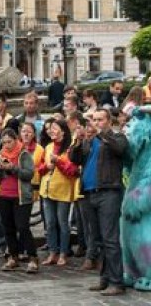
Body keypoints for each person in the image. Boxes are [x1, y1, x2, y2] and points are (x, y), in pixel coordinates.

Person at [69, 108, 128, 296]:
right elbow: (74, 159)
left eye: (100, 120)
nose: (96, 123)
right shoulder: (89, 140)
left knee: (110, 239)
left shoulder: (117, 137)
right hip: (89, 194)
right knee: (98, 239)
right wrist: (78, 141)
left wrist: (101, 134)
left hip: (108, 192)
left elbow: (119, 150)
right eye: (94, 120)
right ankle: (105, 279)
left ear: (109, 121)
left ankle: (117, 282)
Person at [0, 128, 38, 274]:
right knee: (8, 228)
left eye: (9, 142)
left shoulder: (24, 154)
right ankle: (13, 256)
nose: (6, 145)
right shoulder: (0, 154)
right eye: (4, 142)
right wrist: (0, 169)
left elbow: (29, 174)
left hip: (21, 196)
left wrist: (13, 168)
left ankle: (32, 257)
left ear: (16, 140)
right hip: (4, 195)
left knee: (22, 227)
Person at [38, 118, 78, 267]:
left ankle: (63, 253)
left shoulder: (70, 147)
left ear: (63, 131)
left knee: (62, 223)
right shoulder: (48, 147)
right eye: (50, 129)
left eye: (54, 128)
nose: (51, 131)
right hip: (47, 190)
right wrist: (47, 166)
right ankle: (52, 252)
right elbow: (40, 168)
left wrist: (58, 162)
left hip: (63, 190)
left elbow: (73, 171)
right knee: (49, 223)